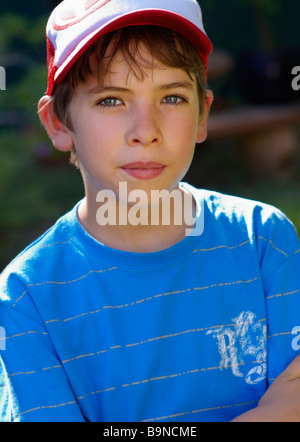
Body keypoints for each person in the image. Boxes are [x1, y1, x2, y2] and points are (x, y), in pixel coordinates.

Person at [1, 0, 300, 423]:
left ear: (203, 114)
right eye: (111, 100)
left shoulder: (262, 240)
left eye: (173, 97)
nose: (146, 131)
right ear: (58, 124)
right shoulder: (25, 297)